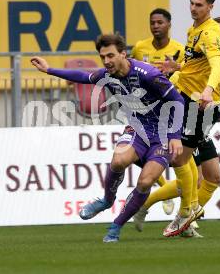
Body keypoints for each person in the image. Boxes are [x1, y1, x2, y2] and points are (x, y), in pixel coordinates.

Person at [30, 33, 184, 242]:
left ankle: (116, 226)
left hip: (164, 135)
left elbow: (177, 99)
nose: (107, 61)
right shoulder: (107, 75)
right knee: (119, 160)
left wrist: (175, 135)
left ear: (123, 53)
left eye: (111, 55)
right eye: (103, 57)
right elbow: (83, 76)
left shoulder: (147, 73)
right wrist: (48, 70)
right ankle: (106, 200)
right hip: (138, 129)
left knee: (146, 181)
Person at [133, 16, 220, 237]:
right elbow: (181, 76)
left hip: (205, 121)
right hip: (191, 114)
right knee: (192, 177)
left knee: (215, 178)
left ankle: (183, 214)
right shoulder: (207, 56)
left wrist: (219, 89)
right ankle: (184, 216)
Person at [158, 0, 220, 237]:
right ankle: (190, 210)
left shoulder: (210, 33)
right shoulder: (193, 30)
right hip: (186, 99)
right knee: (188, 162)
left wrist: (208, 90)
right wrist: (177, 69)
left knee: (178, 158)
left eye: (199, 5)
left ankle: (188, 210)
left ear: (210, 6)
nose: (194, 8)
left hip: (201, 104)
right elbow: (194, 62)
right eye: (192, 3)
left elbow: (217, 65)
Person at [130, 8, 185, 215]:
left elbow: (187, 73)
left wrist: (176, 69)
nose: (155, 26)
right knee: (134, 152)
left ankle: (186, 209)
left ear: (169, 25)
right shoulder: (140, 48)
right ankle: (164, 186)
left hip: (168, 109)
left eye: (160, 22)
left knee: (172, 155)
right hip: (143, 108)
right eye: (152, 22)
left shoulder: (179, 49)